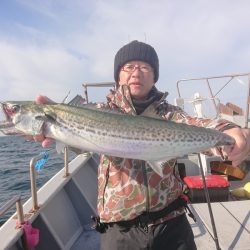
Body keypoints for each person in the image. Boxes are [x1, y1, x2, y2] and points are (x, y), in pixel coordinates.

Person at [34, 40, 250, 250]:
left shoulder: (168, 114)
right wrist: (58, 125)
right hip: (119, 231)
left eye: (145, 67)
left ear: (154, 76)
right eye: (128, 67)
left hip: (172, 223)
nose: (136, 73)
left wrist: (228, 129)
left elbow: (199, 124)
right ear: (118, 75)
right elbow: (79, 142)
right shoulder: (97, 111)